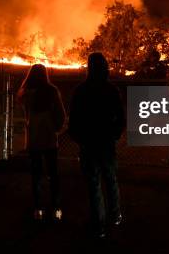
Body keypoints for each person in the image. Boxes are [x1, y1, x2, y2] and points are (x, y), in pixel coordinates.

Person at [68, 52, 125, 238]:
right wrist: (114, 134)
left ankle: (99, 225)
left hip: (89, 143)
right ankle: (115, 216)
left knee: (93, 184)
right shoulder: (111, 90)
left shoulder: (80, 91)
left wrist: (79, 138)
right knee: (110, 179)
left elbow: (74, 120)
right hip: (106, 143)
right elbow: (121, 118)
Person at [17, 64, 66, 222]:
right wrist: (56, 127)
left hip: (34, 138)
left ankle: (38, 209)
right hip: (49, 137)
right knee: (53, 174)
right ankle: (57, 209)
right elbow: (61, 114)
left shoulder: (25, 94)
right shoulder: (51, 91)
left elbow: (26, 115)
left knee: (36, 175)